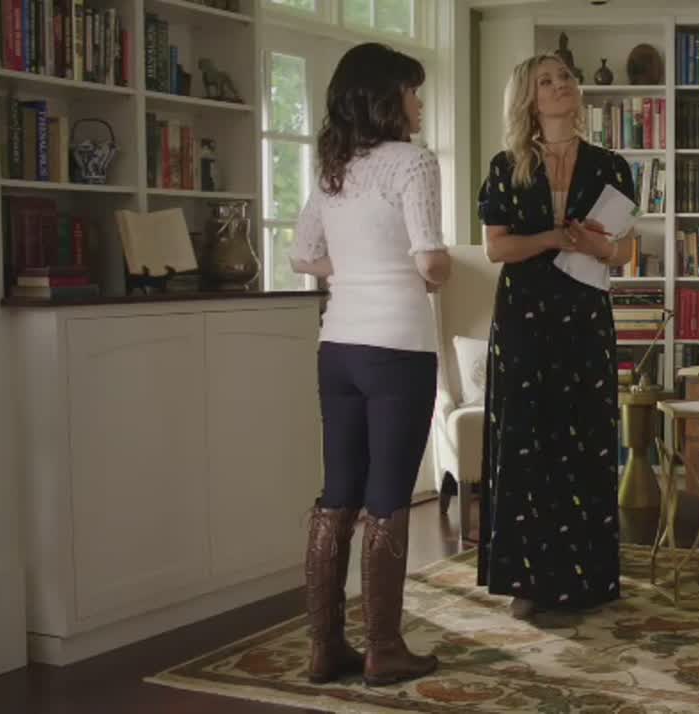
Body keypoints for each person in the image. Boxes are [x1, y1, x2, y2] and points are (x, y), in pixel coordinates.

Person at [290, 42, 448, 687]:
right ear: (386, 97)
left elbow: (303, 256)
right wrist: (426, 272)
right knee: (387, 499)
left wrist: (354, 268)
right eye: (412, 90)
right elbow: (431, 260)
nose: (419, 102)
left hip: (338, 348)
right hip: (397, 348)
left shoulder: (334, 168)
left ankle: (325, 647)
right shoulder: (413, 162)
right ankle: (384, 649)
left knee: (338, 495)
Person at [476, 54, 638, 620]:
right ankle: (526, 581)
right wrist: (551, 238)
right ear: (528, 98)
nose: (560, 85)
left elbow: (625, 249)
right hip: (523, 315)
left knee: (586, 437)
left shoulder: (611, 165)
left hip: (585, 313)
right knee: (527, 439)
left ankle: (587, 578)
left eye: (565, 76)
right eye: (546, 80)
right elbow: (496, 247)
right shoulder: (507, 167)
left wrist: (598, 247)